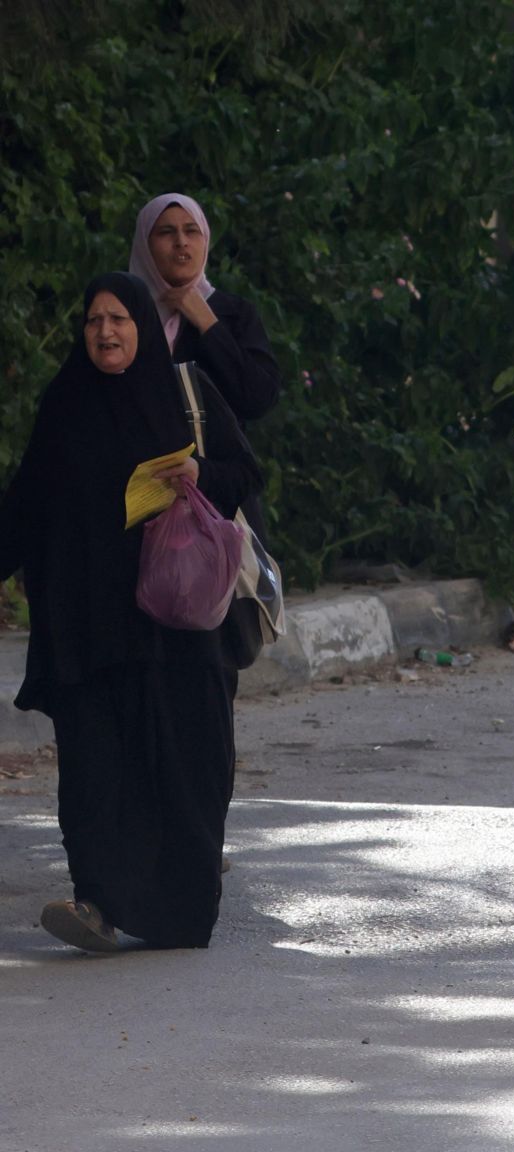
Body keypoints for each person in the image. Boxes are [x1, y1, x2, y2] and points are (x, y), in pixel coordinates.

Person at [0, 272, 261, 953]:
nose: (106, 332)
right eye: (94, 320)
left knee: (183, 765)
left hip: (173, 626)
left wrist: (202, 474)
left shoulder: (183, 397)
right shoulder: (66, 402)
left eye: (118, 318)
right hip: (87, 626)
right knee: (93, 770)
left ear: (142, 326)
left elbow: (246, 475)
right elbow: (26, 505)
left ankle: (177, 910)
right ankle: (97, 905)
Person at [130, 193, 280, 425]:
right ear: (144, 244)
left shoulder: (235, 314)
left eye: (191, 231)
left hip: (212, 461)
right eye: (166, 232)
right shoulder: (122, 313)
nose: (181, 241)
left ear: (205, 239)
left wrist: (208, 324)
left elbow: (258, 399)